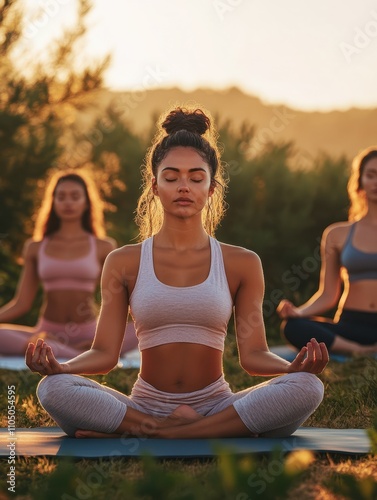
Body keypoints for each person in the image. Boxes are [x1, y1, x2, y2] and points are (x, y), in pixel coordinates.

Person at [26, 106, 328, 440]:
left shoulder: (241, 262)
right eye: (171, 177)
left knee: (307, 387)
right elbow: (105, 354)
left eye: (196, 178)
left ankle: (162, 433)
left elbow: (254, 355)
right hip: (145, 405)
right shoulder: (123, 261)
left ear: (211, 188)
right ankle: (187, 429)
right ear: (155, 186)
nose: (183, 186)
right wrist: (63, 367)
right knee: (53, 388)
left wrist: (292, 369)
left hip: (216, 403)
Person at [0, 169, 138, 358]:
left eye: (75, 196)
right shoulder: (35, 247)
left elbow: (117, 298)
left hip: (91, 332)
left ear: (86, 203)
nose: (68, 202)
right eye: (61, 197)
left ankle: (72, 349)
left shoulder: (103, 246)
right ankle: (82, 354)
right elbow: (22, 303)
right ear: (53, 201)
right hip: (46, 331)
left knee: (152, 327)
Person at [277, 146, 377, 355]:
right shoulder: (337, 234)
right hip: (351, 324)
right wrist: (298, 312)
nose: (376, 181)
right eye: (370, 175)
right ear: (360, 182)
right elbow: (328, 294)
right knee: (294, 327)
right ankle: (358, 351)